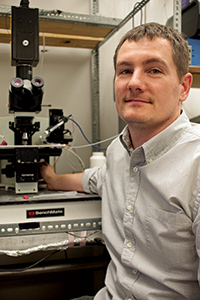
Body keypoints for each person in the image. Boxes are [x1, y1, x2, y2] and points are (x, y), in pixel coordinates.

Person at [40, 23, 200, 299]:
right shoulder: (118, 151)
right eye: (125, 71)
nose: (134, 82)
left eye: (154, 70)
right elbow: (97, 179)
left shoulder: (195, 166)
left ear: (184, 87)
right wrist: (52, 178)